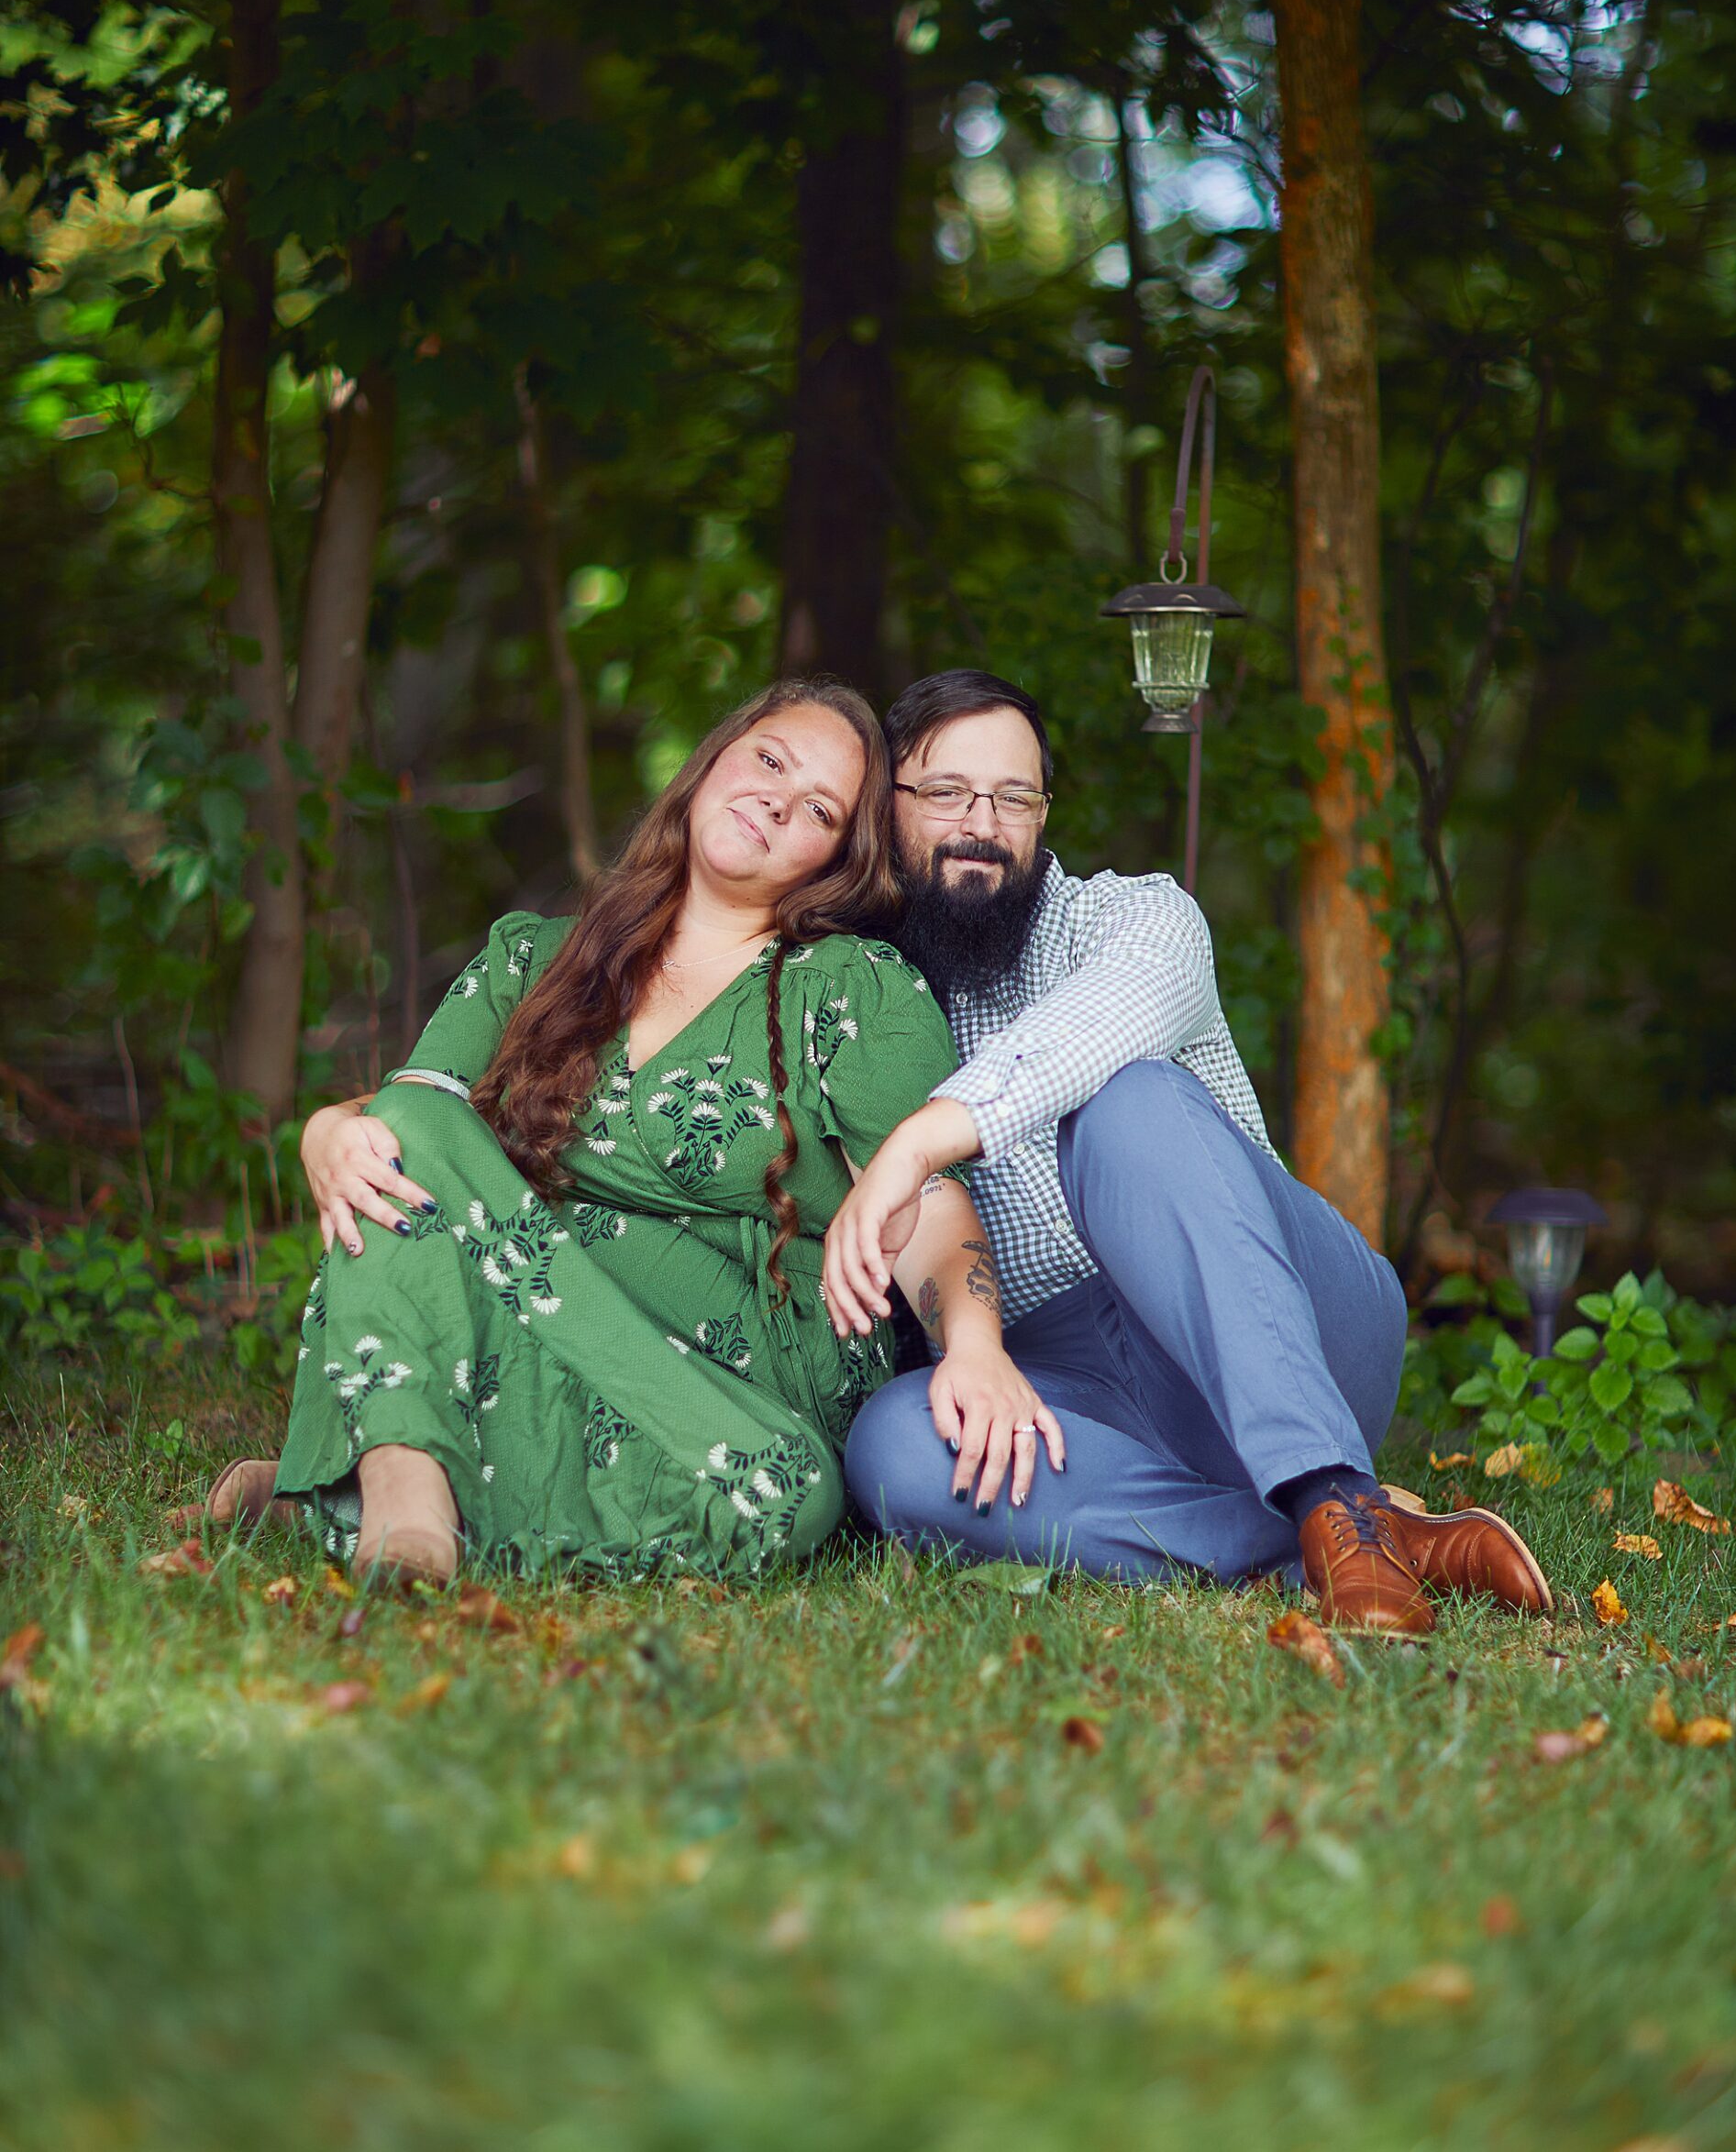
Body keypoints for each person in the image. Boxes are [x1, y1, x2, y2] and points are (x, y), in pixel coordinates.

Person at [203, 679, 1060, 1586]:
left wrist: (973, 1340)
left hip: (715, 1400)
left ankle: (329, 1490)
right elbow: (409, 1126)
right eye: (770, 760)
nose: (777, 797)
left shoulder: (853, 991)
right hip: (521, 1338)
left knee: (784, 1497)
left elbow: (920, 1198)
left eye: (817, 807)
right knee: (402, 1126)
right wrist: (326, 1131)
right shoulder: (534, 956)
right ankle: (403, 1485)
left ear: (836, 861)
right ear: (708, 766)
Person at [824, 669, 1553, 1636]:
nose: (981, 824)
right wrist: (975, 1342)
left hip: (1286, 1321)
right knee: (894, 1446)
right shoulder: (871, 1001)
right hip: (1074, 1382)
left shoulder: (1136, 918)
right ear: (889, 809)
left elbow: (1108, 1020)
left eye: (1014, 796)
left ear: (1046, 814)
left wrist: (923, 1137)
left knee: (1125, 1104)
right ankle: (1341, 1542)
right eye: (947, 792)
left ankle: (1331, 1484)